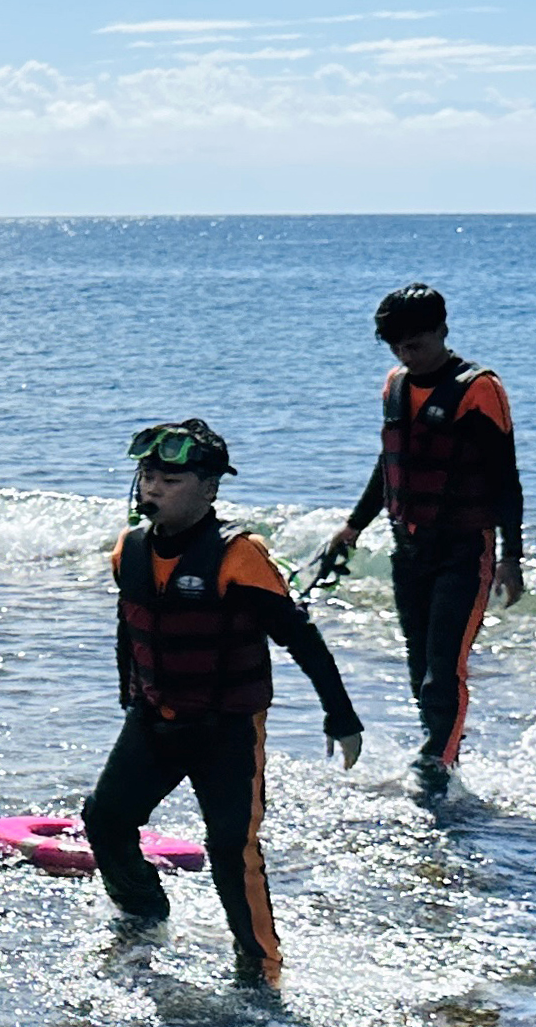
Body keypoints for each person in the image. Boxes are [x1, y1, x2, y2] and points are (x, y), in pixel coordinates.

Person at [83, 420, 364, 986]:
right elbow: (129, 627)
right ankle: (144, 916)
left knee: (232, 850)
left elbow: (301, 638)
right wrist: (128, 693)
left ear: (210, 488)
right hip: (154, 722)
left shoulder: (240, 555)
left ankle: (260, 970)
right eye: (148, 476)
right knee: (105, 819)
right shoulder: (129, 549)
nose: (153, 489)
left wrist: (341, 715)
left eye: (171, 479)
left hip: (226, 730)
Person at [319, 283, 523, 791]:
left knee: (443, 666)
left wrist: (511, 559)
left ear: (441, 331)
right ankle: (439, 746)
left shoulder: (479, 389)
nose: (407, 354)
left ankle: (437, 763)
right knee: (417, 661)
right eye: (397, 347)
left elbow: (506, 481)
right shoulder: (395, 385)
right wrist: (352, 525)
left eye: (416, 344)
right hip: (408, 546)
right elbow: (389, 463)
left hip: (464, 547)